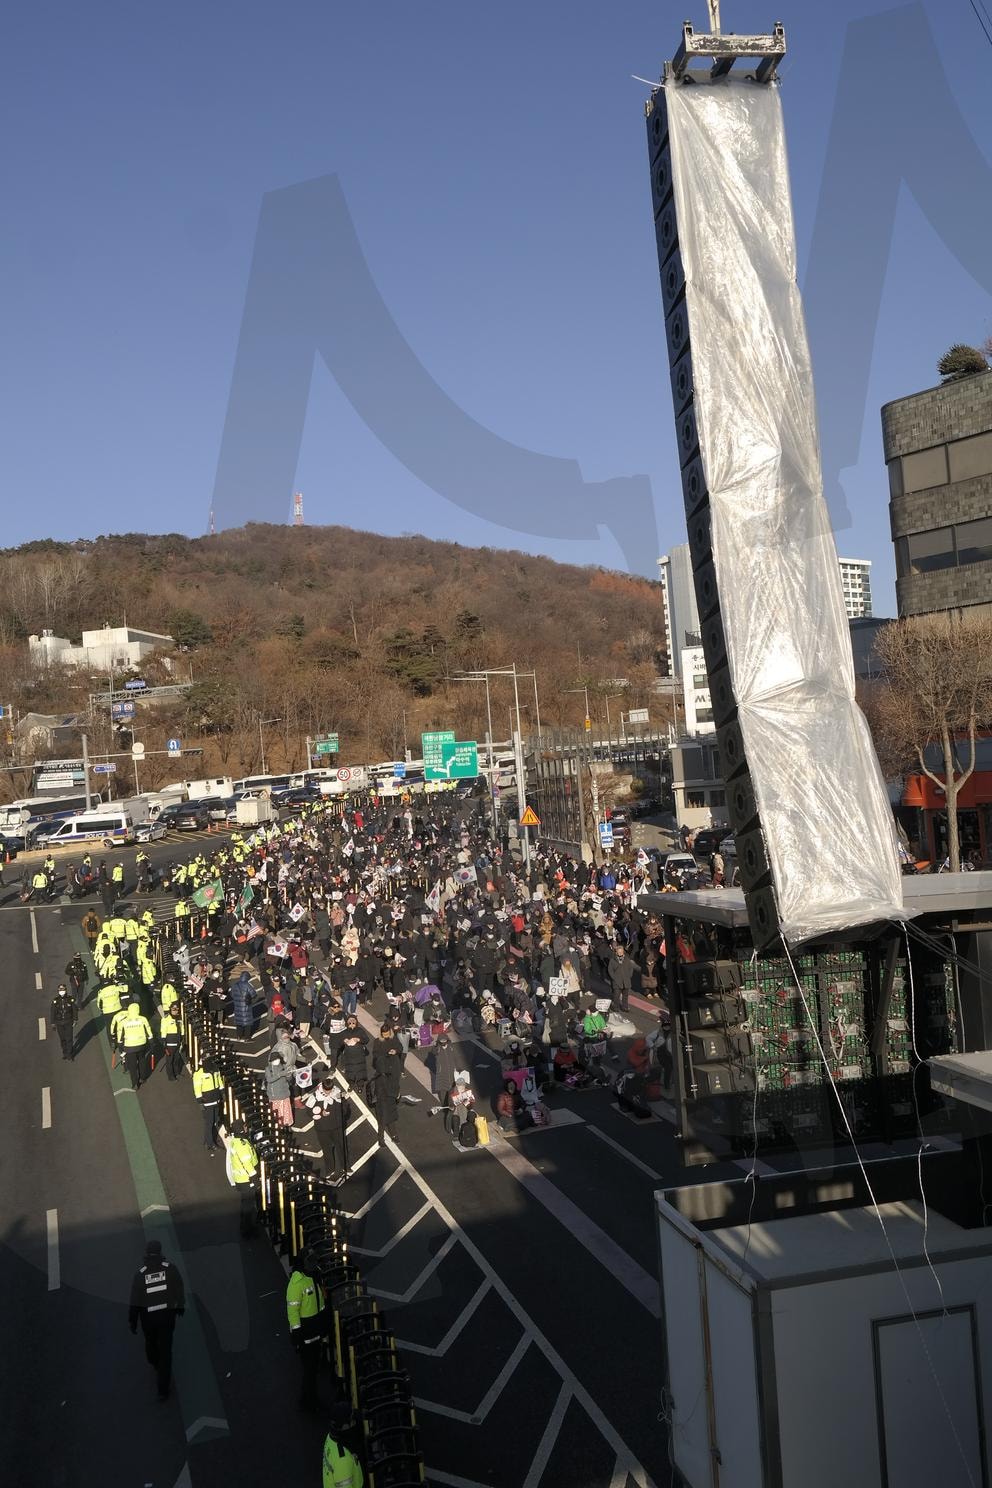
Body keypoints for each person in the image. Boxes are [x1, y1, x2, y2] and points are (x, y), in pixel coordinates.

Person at [128, 1238, 185, 1401]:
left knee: (151, 1343)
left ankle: (154, 1361)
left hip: (149, 1320)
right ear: (160, 1252)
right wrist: (180, 1306)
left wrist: (133, 1321)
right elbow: (179, 1288)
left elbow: (135, 1301)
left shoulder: (140, 1275)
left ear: (147, 1253)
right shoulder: (170, 1269)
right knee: (166, 1352)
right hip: (167, 1318)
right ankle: (163, 1389)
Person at [286, 1251, 326, 1412]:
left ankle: (309, 1398)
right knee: (309, 1370)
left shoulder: (314, 1275)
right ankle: (309, 1401)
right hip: (306, 1336)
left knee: (313, 1368)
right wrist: (297, 1335)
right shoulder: (296, 1284)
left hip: (315, 1331)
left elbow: (320, 1301)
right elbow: (293, 1311)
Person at [223, 1119, 260, 1237]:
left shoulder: (236, 1141)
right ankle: (247, 1229)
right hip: (246, 1180)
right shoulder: (242, 1145)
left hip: (241, 1179)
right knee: (248, 1206)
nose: (246, 1128)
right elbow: (247, 1164)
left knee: (245, 1204)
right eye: (244, 1126)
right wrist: (254, 1178)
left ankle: (245, 1226)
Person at [371, 1023, 403, 1146]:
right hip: (383, 1086)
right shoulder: (377, 1042)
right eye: (384, 1034)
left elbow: (400, 1048)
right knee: (383, 1114)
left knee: (389, 1112)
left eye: (387, 1034)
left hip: (390, 1084)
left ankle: (392, 1135)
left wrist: (395, 1051)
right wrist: (385, 1055)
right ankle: (382, 1137)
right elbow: (375, 1055)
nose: (386, 1036)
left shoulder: (393, 1040)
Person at [193, 1054, 224, 1153]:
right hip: (207, 1102)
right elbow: (197, 1089)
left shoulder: (215, 1069)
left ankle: (208, 1140)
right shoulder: (198, 1073)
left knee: (214, 1121)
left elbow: (219, 1081)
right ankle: (211, 1144)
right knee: (209, 1123)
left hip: (216, 1100)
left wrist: (222, 1093)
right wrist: (200, 1102)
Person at [119, 999, 153, 1090]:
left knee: (132, 1066)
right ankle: (142, 1078)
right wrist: (151, 1041)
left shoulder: (124, 1021)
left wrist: (120, 1045)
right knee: (142, 1061)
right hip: (141, 1045)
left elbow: (120, 1035)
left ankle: (135, 1083)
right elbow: (148, 1031)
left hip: (129, 1047)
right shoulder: (143, 1019)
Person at [265, 1052, 296, 1128]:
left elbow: (289, 1079)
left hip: (284, 1093)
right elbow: (269, 1080)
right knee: (277, 1113)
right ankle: (278, 1126)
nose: (277, 1060)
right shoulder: (268, 1069)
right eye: (275, 1059)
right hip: (275, 1096)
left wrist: (289, 1075)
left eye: (278, 1059)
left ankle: (286, 1125)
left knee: (285, 1112)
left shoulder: (283, 1066)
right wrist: (280, 1074)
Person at [50, 984, 78, 1061]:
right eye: (60, 990)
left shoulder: (70, 999)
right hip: (59, 1023)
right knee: (63, 1039)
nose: (61, 991)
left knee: (69, 1038)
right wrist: (52, 1023)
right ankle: (65, 1053)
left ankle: (69, 1054)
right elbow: (52, 1012)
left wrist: (75, 1020)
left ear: (66, 990)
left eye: (63, 990)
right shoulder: (55, 1001)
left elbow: (74, 1010)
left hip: (68, 1021)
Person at [607, 943, 634, 1014]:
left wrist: (629, 976)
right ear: (616, 952)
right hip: (617, 981)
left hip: (626, 981)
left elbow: (630, 968)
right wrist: (614, 978)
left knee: (625, 996)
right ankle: (616, 1007)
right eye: (618, 952)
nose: (620, 953)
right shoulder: (612, 960)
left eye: (621, 952)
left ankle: (625, 1007)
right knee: (616, 995)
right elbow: (610, 970)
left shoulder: (627, 959)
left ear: (623, 952)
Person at [159, 1004, 183, 1081]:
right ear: (170, 1010)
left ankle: (176, 1072)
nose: (175, 1011)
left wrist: (183, 1036)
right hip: (170, 1042)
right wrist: (164, 1041)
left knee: (177, 1059)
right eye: (173, 1009)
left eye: (177, 1009)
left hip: (178, 1041)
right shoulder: (165, 1019)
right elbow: (163, 1030)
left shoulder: (179, 1018)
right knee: (169, 1060)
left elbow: (182, 1028)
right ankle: (171, 1076)